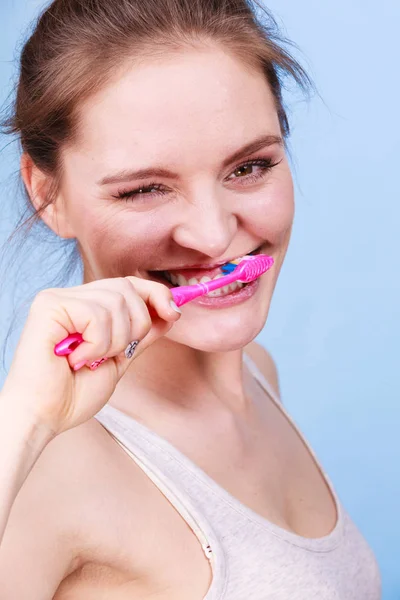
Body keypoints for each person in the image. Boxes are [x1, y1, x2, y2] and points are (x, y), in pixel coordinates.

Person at [0, 0, 381, 598]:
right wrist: (21, 424)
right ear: (48, 195)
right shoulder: (48, 470)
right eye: (145, 189)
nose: (211, 234)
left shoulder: (257, 374)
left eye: (249, 166)